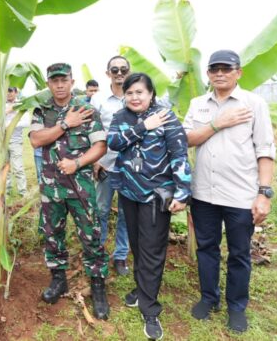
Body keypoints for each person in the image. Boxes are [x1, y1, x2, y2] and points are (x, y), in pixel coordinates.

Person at [183, 50, 275, 333]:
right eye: (214, 69)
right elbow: (186, 139)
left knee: (239, 253)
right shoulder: (198, 104)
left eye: (226, 68)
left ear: (239, 72)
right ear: (208, 74)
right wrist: (217, 123)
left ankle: (236, 307)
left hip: (240, 195)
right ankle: (209, 298)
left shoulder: (254, 104)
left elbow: (265, 149)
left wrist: (263, 193)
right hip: (204, 194)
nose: (220, 73)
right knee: (207, 249)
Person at [107, 73, 191, 340]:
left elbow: (179, 154)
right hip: (129, 192)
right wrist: (144, 126)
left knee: (153, 249)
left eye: (140, 92)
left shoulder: (166, 117)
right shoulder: (120, 118)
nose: (134, 97)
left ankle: (150, 308)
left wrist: (183, 191)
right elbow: (114, 143)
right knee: (137, 244)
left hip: (157, 194)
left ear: (151, 94)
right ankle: (142, 289)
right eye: (129, 93)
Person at [29, 63, 110, 320]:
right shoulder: (41, 111)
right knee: (53, 234)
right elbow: (36, 139)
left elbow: (100, 146)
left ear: (72, 81)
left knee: (91, 235)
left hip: (81, 187)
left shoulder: (87, 110)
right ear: (48, 84)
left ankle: (97, 286)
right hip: (51, 188)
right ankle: (58, 279)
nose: (60, 84)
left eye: (64, 80)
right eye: (55, 81)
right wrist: (65, 123)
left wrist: (77, 163)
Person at [93, 56, 131, 276]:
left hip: (130, 168)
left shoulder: (136, 96)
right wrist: (95, 160)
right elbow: (92, 130)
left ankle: (120, 256)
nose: (119, 73)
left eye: (123, 69)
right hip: (105, 166)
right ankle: (99, 253)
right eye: (114, 69)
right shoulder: (98, 100)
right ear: (108, 73)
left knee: (126, 214)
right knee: (101, 211)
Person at [5, 86, 29, 196]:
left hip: (15, 140)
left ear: (15, 92)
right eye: (7, 91)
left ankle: (23, 192)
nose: (8, 94)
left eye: (10, 91)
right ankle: (7, 191)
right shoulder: (0, 105)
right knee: (5, 168)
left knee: (18, 167)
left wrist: (11, 125)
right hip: (2, 142)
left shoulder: (21, 105)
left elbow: (26, 122)